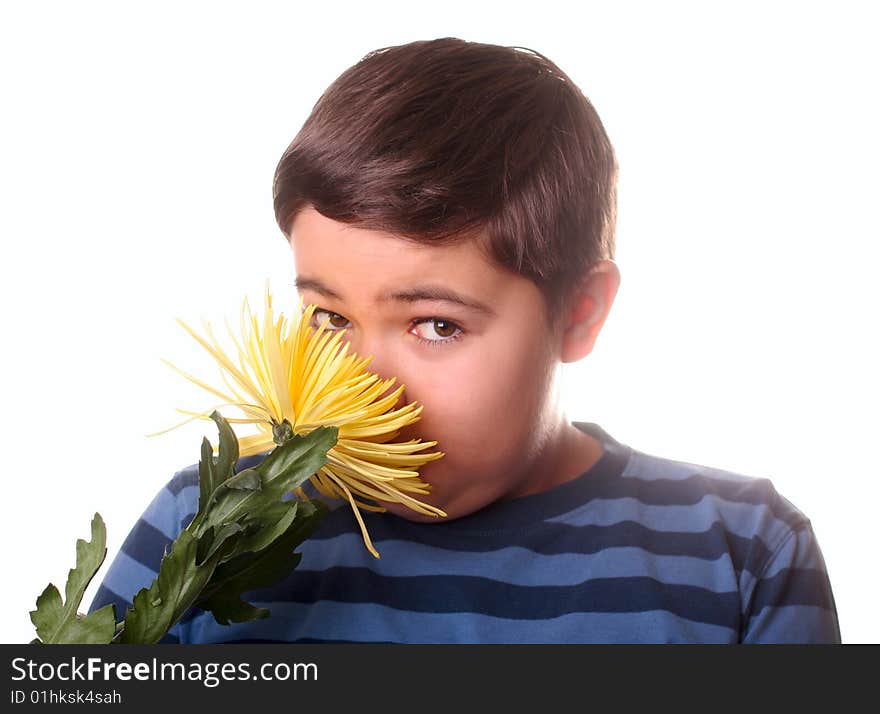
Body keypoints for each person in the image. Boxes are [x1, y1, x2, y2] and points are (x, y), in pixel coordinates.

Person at [90, 37, 840, 643]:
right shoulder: (207, 521)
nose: (358, 396)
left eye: (436, 326)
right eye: (330, 319)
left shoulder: (742, 557)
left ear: (578, 313)